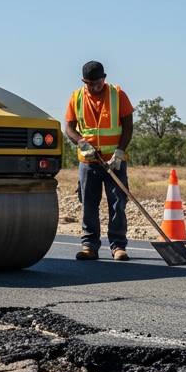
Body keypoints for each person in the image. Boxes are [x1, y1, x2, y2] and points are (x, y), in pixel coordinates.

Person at [63, 60, 134, 261]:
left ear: (104, 78)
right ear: (84, 81)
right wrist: (81, 143)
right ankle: (89, 246)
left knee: (117, 203)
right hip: (89, 163)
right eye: (90, 83)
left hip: (114, 162)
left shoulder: (117, 95)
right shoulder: (76, 97)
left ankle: (118, 246)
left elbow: (128, 125)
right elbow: (69, 127)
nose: (94, 87)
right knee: (88, 204)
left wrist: (119, 152)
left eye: (97, 83)